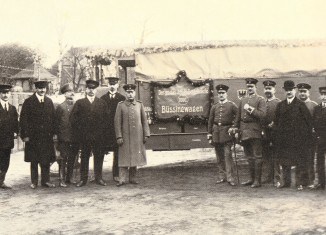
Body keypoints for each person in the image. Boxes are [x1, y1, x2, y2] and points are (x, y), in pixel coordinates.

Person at [274, 80, 313, 190]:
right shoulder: (280, 105)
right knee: (285, 161)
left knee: (299, 161)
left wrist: (304, 137)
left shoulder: (301, 105)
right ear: (284, 91)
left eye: (290, 90)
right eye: (287, 90)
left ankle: (299, 183)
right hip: (284, 140)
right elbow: (276, 122)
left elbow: (308, 123)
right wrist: (278, 137)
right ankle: (286, 182)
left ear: (294, 90)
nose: (289, 92)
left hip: (298, 140)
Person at [70, 80, 109, 187]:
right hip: (84, 136)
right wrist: (81, 131)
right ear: (86, 89)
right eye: (89, 88)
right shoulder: (80, 103)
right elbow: (73, 120)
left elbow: (106, 120)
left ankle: (99, 178)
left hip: (98, 136)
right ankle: (83, 179)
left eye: (93, 89)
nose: (91, 91)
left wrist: (102, 133)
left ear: (96, 90)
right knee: (84, 157)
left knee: (99, 156)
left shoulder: (102, 103)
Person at [20, 80, 57, 189]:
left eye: (44, 88)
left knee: (45, 159)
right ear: (36, 89)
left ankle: (46, 181)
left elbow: (53, 119)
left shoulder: (49, 102)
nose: (42, 90)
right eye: (40, 88)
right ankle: (34, 181)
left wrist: (54, 133)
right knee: (34, 160)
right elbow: (23, 120)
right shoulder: (28, 102)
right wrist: (25, 135)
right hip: (33, 137)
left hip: (46, 136)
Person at [232, 78, 266, 188]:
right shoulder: (243, 100)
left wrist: (250, 109)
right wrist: (235, 128)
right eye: (248, 87)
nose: (250, 88)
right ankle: (251, 179)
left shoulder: (260, 100)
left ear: (256, 87)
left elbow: (262, 115)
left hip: (255, 130)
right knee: (249, 157)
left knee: (257, 156)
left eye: (252, 87)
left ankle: (257, 181)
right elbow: (238, 117)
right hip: (244, 131)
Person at [114, 84, 150, 187]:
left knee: (135, 157)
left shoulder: (139, 105)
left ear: (134, 93)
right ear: (125, 93)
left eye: (132, 92)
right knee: (123, 158)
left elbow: (144, 120)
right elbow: (117, 122)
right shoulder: (120, 105)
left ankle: (133, 178)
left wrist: (146, 134)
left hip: (137, 137)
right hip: (124, 137)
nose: (130, 94)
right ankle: (122, 179)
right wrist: (119, 136)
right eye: (128, 92)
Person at [207, 84, 237, 186]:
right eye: (219, 93)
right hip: (216, 133)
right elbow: (210, 121)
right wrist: (209, 134)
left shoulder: (231, 105)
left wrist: (233, 127)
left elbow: (237, 118)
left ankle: (230, 178)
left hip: (226, 133)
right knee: (219, 157)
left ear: (226, 94)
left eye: (223, 93)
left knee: (228, 156)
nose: (221, 95)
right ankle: (221, 177)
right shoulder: (214, 106)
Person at [100, 77, 126, 182]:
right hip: (105, 131)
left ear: (117, 85)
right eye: (110, 84)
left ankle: (116, 174)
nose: (112, 86)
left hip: (117, 130)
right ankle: (99, 175)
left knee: (117, 152)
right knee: (101, 152)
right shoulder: (102, 99)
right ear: (107, 85)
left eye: (114, 84)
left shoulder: (122, 98)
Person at [55, 83, 79, 187]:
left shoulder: (77, 106)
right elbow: (56, 123)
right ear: (64, 94)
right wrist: (56, 136)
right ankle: (62, 179)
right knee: (63, 158)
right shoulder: (61, 107)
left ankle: (70, 177)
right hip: (63, 137)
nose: (71, 93)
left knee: (73, 158)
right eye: (69, 92)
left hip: (74, 137)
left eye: (72, 91)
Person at [261, 80, 282, 186]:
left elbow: (282, 118)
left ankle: (277, 178)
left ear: (274, 90)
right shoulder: (262, 102)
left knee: (276, 156)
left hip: (275, 133)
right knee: (265, 155)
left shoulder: (278, 103)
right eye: (266, 89)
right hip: (264, 133)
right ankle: (267, 177)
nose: (268, 91)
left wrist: (274, 124)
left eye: (270, 89)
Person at [297, 83, 318, 186]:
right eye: (300, 92)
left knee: (310, 159)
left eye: (304, 91)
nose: (302, 94)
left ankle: (311, 181)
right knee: (300, 159)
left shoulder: (313, 105)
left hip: (310, 137)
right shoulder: (295, 105)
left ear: (308, 93)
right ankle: (301, 181)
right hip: (298, 137)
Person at [0, 84, 19, 189]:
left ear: (10, 94)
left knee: (5, 162)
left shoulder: (12, 108)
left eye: (7, 93)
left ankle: (1, 181)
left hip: (7, 141)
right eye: (3, 93)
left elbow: (16, 123)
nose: (5, 95)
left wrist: (16, 132)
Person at [310, 87, 326, 190]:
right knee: (320, 161)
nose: (324, 97)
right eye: (322, 95)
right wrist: (318, 135)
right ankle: (321, 182)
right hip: (321, 138)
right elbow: (314, 124)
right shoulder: (317, 108)